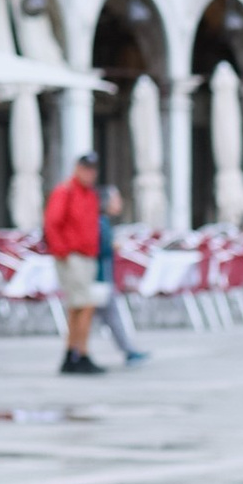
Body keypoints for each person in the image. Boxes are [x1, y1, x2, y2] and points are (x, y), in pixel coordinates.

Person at [44, 154, 104, 378]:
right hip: (72, 257)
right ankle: (83, 353)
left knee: (78, 307)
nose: (90, 173)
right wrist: (62, 252)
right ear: (77, 168)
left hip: (88, 256)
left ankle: (71, 354)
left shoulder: (90, 194)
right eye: (86, 168)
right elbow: (52, 223)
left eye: (93, 169)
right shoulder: (65, 191)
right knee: (86, 304)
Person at [96, 185, 148, 366]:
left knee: (107, 316)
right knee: (103, 316)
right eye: (116, 200)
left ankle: (129, 350)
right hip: (99, 278)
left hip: (102, 278)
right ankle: (77, 353)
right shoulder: (100, 223)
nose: (119, 203)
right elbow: (99, 249)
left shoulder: (103, 222)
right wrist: (112, 246)